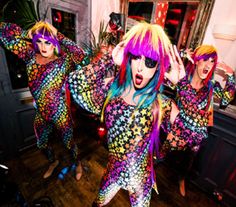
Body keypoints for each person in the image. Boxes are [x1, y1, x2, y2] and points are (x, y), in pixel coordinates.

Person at [68, 22, 189, 207]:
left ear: (158, 67)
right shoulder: (111, 90)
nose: (140, 67)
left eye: (149, 61)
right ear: (128, 57)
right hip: (113, 171)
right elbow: (76, 85)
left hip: (140, 180)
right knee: (97, 204)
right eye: (135, 57)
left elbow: (190, 134)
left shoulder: (161, 104)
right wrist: (108, 58)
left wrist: (184, 86)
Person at [0, 21, 86, 180]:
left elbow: (80, 54)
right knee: (42, 144)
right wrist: (28, 33)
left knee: (69, 143)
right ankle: (53, 162)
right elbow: (4, 33)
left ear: (54, 44)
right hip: (41, 113)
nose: (42, 46)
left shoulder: (63, 62)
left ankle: (77, 163)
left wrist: (57, 34)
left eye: (47, 42)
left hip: (60, 113)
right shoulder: (30, 56)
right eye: (39, 41)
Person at [161, 45, 235, 196]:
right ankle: (152, 170)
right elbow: (164, 73)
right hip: (178, 128)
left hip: (196, 133)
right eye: (204, 60)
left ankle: (182, 180)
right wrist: (181, 54)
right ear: (196, 61)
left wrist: (232, 75)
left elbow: (226, 99)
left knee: (188, 162)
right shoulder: (182, 79)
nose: (208, 65)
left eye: (212, 61)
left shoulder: (211, 87)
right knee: (162, 152)